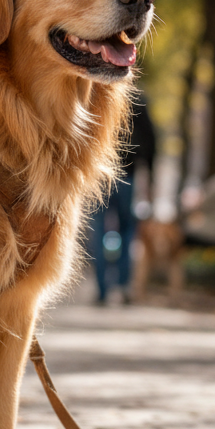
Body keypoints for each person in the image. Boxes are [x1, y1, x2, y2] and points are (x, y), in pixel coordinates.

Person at [89, 89, 156, 304]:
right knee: (127, 229)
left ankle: (102, 289)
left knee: (99, 228)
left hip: (100, 173)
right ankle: (125, 286)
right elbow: (151, 140)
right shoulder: (137, 98)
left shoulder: (94, 92)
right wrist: (150, 177)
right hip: (128, 173)